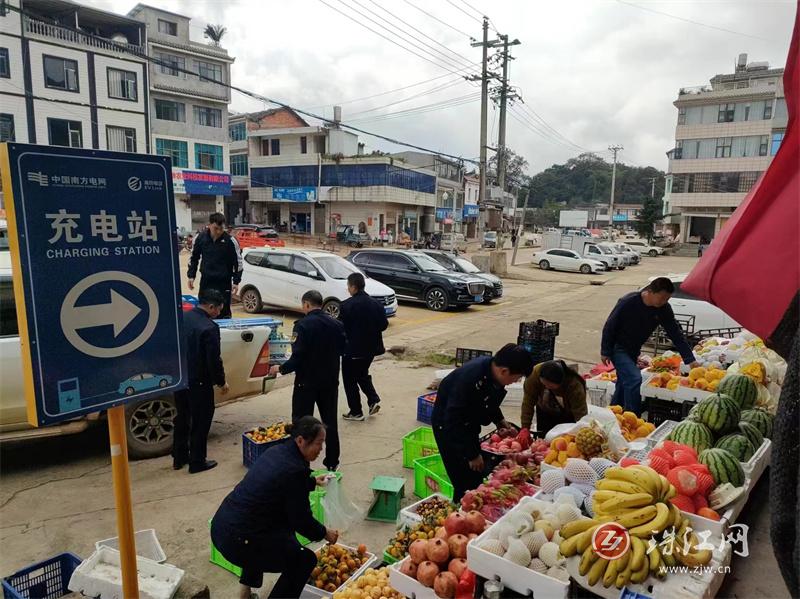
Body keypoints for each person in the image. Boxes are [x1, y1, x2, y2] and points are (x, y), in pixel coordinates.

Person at [211, 417, 339, 599]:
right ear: (301, 440)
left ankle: (245, 594)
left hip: (223, 527)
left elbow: (280, 483)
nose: (321, 449)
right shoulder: (295, 471)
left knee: (267, 528)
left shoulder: (277, 451)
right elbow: (301, 521)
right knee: (304, 560)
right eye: (319, 443)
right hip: (238, 541)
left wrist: (311, 481)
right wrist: (324, 532)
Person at [431, 344, 535, 502]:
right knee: (465, 480)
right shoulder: (470, 379)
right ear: (504, 371)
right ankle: (461, 511)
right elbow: (454, 420)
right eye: (517, 377)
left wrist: (499, 420)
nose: (515, 381)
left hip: (467, 423)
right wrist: (471, 454)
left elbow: (486, 400)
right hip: (449, 426)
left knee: (476, 476)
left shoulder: (491, 371)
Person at [270, 291, 346, 471]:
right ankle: (332, 462)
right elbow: (343, 349)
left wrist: (280, 368)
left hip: (306, 383)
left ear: (306, 305)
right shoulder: (337, 325)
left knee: (301, 423)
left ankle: (298, 462)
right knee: (330, 423)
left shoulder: (302, 326)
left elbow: (298, 357)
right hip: (329, 382)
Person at [601, 277, 698, 416]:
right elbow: (610, 326)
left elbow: (675, 334)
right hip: (618, 347)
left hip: (633, 349)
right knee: (634, 378)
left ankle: (612, 413)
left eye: (667, 299)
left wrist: (690, 359)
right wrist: (605, 350)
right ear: (650, 292)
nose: (664, 302)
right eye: (662, 298)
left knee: (624, 382)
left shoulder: (663, 309)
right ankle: (632, 417)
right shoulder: (628, 302)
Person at [172, 289, 229, 473]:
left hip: (180, 379)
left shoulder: (182, 319)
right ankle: (197, 461)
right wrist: (221, 382)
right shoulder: (209, 328)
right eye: (218, 310)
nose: (218, 314)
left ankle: (179, 457)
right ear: (211, 307)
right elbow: (214, 360)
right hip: (200, 382)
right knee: (201, 421)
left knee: (182, 417)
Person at [340, 273, 389, 422]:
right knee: (361, 374)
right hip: (371, 349)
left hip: (352, 349)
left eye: (348, 286)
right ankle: (373, 400)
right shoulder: (376, 304)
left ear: (353, 287)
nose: (347, 289)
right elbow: (384, 325)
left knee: (350, 380)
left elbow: (342, 328)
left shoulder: (347, 305)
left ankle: (356, 411)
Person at [187, 213, 242, 319]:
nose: (218, 232)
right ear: (209, 225)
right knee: (204, 311)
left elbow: (238, 262)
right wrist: (191, 276)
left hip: (223, 283)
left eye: (221, 229)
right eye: (215, 228)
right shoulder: (200, 238)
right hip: (206, 281)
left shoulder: (230, 241)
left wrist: (236, 281)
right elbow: (194, 258)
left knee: (223, 312)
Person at [521, 360, 588, 436]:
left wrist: (582, 434)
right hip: (545, 410)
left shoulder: (574, 386)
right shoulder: (534, 375)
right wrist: (525, 428)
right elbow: (528, 402)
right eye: (544, 384)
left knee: (566, 438)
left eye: (550, 386)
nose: (546, 387)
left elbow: (580, 414)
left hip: (568, 414)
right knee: (544, 438)